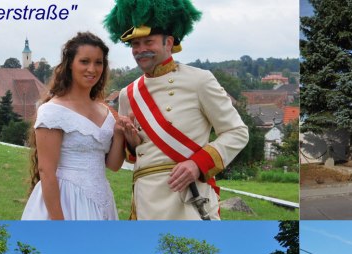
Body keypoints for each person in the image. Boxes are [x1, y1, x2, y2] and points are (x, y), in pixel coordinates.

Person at [104, 0, 249, 220]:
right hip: (145, 197)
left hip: (188, 196)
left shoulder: (200, 80)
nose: (141, 50)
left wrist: (197, 164)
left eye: (148, 41)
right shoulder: (128, 94)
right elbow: (135, 156)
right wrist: (131, 141)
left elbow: (237, 132)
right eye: (135, 44)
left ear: (168, 42)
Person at [22, 32, 127, 220]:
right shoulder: (53, 111)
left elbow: (113, 165)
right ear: (70, 64)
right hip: (66, 201)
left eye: (98, 62)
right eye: (84, 61)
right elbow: (46, 172)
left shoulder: (106, 112)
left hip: (101, 200)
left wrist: (119, 133)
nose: (92, 69)